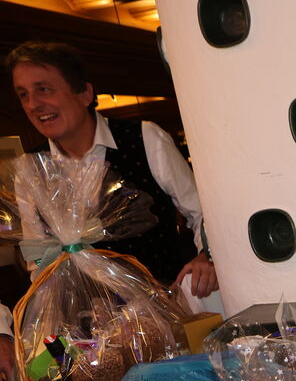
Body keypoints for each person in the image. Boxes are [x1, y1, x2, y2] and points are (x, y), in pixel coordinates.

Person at [5, 41, 218, 297]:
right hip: (86, 317)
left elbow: (202, 212)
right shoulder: (30, 168)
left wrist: (207, 256)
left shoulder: (144, 138)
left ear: (85, 93)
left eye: (43, 89)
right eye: (23, 94)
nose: (33, 105)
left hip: (165, 303)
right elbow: (38, 256)